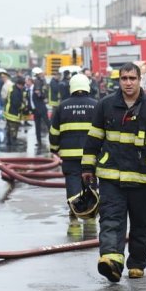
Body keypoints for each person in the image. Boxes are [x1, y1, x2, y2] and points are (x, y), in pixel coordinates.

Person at [81, 62, 146, 282]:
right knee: (110, 220)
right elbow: (93, 139)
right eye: (124, 79)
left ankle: (136, 263)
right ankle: (111, 261)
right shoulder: (105, 105)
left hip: (143, 178)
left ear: (139, 80)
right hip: (111, 177)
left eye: (132, 78)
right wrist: (88, 167)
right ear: (119, 81)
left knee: (141, 223)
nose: (128, 83)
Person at [49, 73, 98, 204]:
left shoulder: (62, 106)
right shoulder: (96, 105)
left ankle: (74, 217)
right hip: (91, 156)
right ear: (87, 86)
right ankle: (90, 214)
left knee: (72, 184)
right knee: (90, 183)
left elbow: (54, 132)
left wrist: (54, 149)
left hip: (70, 157)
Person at [3, 76, 28, 147]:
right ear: (19, 84)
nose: (23, 87)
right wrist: (24, 107)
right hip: (12, 112)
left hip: (10, 111)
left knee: (9, 128)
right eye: (22, 85)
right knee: (13, 128)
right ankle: (12, 142)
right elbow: (16, 103)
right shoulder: (15, 91)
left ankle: (9, 141)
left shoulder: (14, 88)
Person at [31, 67, 51, 146]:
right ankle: (55, 139)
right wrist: (44, 97)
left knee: (39, 125)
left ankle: (39, 141)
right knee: (46, 123)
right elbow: (38, 92)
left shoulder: (38, 81)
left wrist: (43, 96)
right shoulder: (40, 81)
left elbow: (38, 93)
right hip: (40, 106)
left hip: (38, 106)